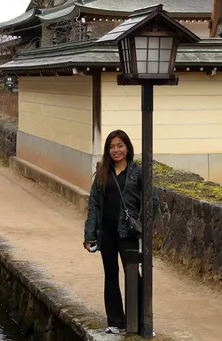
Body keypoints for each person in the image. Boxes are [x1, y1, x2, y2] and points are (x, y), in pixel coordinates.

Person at [83, 129, 160, 335]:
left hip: (128, 234)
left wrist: (142, 227)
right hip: (106, 233)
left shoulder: (137, 172)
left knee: (134, 275)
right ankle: (116, 322)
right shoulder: (103, 171)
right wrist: (90, 235)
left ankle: (142, 323)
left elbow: (153, 202)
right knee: (111, 275)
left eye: (120, 146)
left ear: (127, 148)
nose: (116, 150)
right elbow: (93, 205)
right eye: (111, 146)